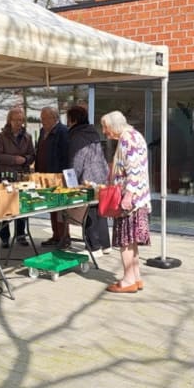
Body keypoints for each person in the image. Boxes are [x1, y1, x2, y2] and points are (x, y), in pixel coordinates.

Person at [100, 110, 151, 294]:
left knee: (126, 241)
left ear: (114, 126)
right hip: (139, 199)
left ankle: (128, 280)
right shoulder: (135, 136)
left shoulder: (127, 139)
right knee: (132, 241)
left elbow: (134, 170)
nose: (104, 131)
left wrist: (128, 196)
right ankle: (136, 278)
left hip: (130, 201)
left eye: (105, 127)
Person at [66, 105, 111, 253]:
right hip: (100, 174)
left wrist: (72, 181)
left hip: (87, 177)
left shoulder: (76, 136)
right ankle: (105, 245)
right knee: (100, 210)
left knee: (89, 212)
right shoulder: (92, 132)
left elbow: (76, 159)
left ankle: (94, 246)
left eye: (68, 118)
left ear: (73, 119)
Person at [0, 107, 35, 248]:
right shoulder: (2, 136)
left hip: (21, 176)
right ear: (9, 120)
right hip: (6, 176)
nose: (18, 123)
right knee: (5, 207)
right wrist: (14, 159)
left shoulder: (27, 137)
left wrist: (25, 159)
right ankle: (4, 236)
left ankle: (21, 234)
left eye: (21, 120)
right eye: (16, 120)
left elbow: (32, 155)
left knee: (21, 205)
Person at [35, 106, 70, 246]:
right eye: (41, 118)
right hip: (44, 175)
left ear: (54, 118)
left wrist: (61, 176)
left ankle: (64, 237)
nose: (42, 121)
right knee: (51, 207)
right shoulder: (43, 131)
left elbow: (65, 155)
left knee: (60, 208)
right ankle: (56, 235)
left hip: (57, 176)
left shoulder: (63, 131)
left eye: (45, 118)